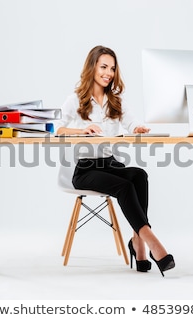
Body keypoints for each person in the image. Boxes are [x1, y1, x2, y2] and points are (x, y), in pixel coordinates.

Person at [55, 45, 175, 276]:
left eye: (112, 68)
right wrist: (82, 131)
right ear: (92, 67)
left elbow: (131, 123)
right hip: (85, 169)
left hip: (110, 163)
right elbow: (54, 128)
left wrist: (138, 128)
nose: (108, 72)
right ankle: (150, 241)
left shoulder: (116, 100)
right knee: (124, 186)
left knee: (138, 175)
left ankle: (137, 240)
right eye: (103, 67)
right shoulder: (75, 100)